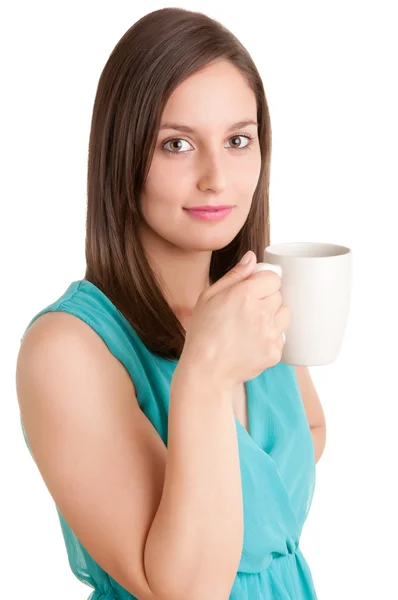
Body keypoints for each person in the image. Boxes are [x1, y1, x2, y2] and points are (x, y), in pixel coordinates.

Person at [15, 7, 319, 600]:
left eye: (238, 140)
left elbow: (306, 431)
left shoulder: (254, 301)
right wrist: (202, 377)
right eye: (177, 144)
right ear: (122, 156)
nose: (217, 178)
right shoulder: (67, 350)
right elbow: (186, 592)